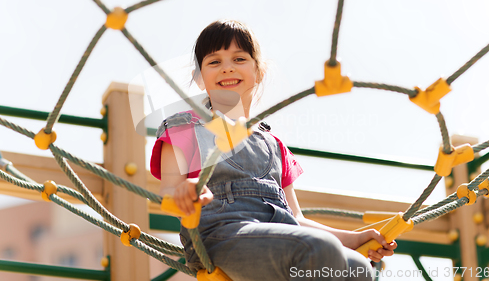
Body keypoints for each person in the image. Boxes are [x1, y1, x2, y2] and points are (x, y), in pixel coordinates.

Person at [150, 19, 396, 280]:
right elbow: (168, 189)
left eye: (239, 59)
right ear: (199, 79)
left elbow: (296, 218)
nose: (227, 68)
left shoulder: (272, 143)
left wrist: (354, 238)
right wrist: (184, 193)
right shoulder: (185, 127)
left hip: (282, 234)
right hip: (221, 234)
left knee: (358, 267)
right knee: (316, 249)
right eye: (214, 62)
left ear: (258, 72)